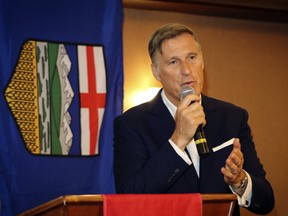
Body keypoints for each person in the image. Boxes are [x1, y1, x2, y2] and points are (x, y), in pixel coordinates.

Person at [113, 23, 274, 215]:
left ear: (202, 62)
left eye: (192, 57)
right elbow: (129, 200)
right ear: (156, 72)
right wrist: (178, 140)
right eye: (173, 61)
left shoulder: (232, 116)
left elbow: (266, 201)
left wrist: (239, 181)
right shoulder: (132, 124)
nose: (187, 70)